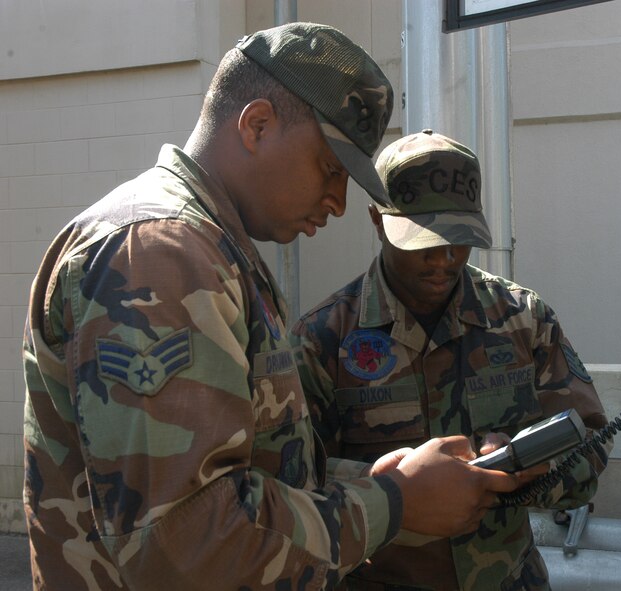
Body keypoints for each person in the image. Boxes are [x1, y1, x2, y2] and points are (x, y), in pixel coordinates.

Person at [22, 24, 525, 591]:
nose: (337, 203)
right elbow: (189, 544)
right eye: (331, 169)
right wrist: (394, 503)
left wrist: (382, 480)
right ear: (257, 125)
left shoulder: (209, 249)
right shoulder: (162, 254)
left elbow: (244, 471)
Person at [294, 129, 611, 591]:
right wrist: (392, 486)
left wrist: (532, 469)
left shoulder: (522, 319)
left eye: (458, 239)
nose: (443, 259)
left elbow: (594, 445)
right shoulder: (323, 340)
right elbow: (288, 481)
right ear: (377, 220)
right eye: (423, 240)